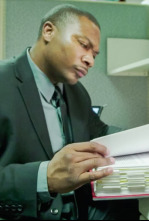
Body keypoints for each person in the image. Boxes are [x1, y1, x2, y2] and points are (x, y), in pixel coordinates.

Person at [0, 4, 140, 220]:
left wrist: (141, 141)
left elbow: (100, 132)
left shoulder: (77, 92)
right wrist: (44, 178)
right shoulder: (3, 82)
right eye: (84, 45)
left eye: (94, 54)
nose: (90, 61)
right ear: (49, 31)